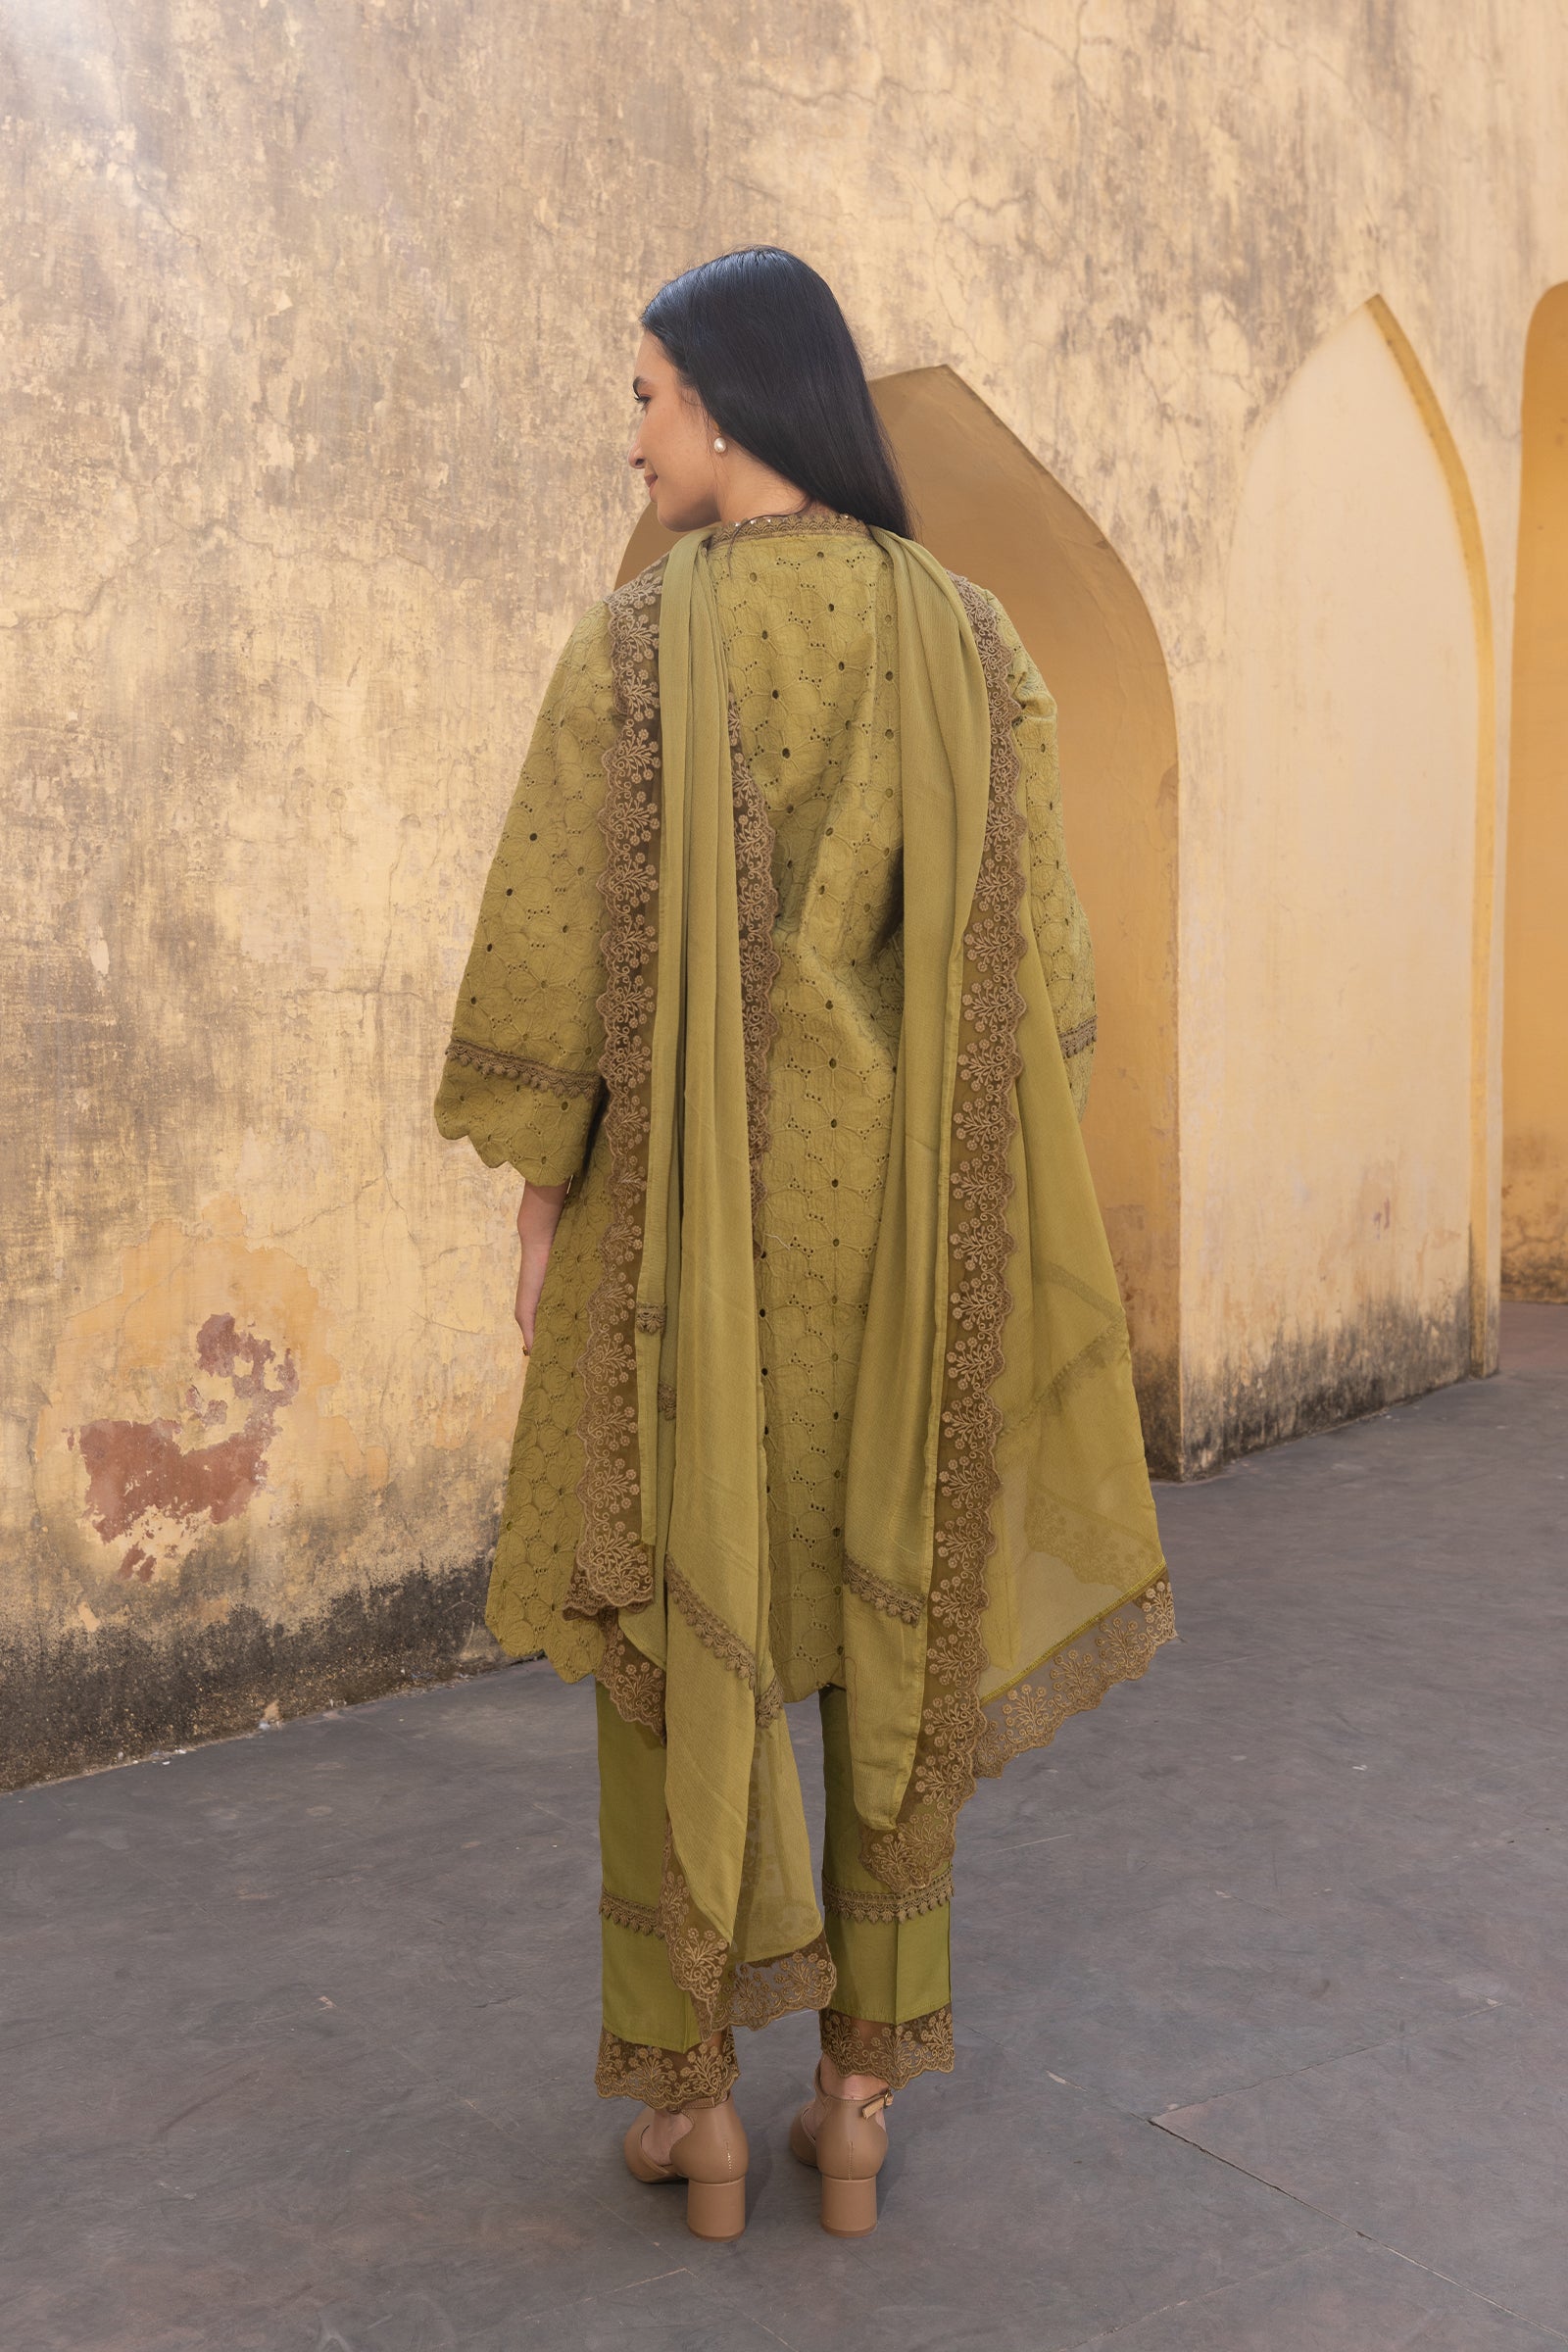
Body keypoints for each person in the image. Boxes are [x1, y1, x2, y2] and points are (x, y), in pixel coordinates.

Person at [434, 246, 1175, 2242]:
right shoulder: (973, 641)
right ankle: (855, 2098)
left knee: (669, 1637)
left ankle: (693, 2121)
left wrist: (535, 1198)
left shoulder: (634, 653)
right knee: (887, 1640)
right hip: (904, 1244)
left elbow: (560, 951)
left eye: (653, 397)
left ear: (733, 416)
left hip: (684, 1235)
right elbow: (1042, 976)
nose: (636, 431)